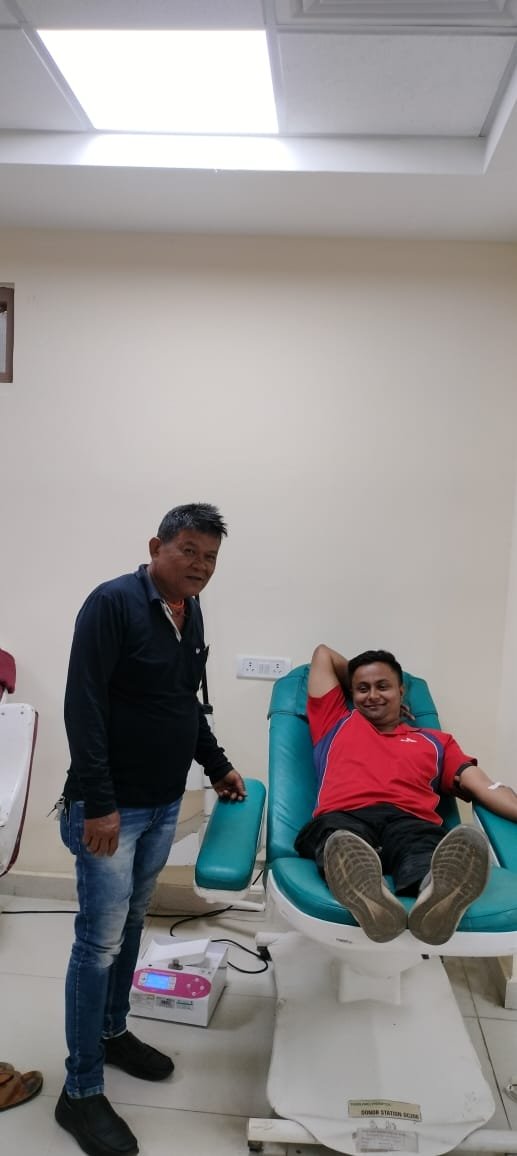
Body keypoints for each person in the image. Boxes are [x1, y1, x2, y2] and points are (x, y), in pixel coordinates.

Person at [55, 503, 246, 1156]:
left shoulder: (190, 611)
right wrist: (100, 803)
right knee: (97, 944)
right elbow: (82, 703)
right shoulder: (111, 603)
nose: (200, 565)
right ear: (155, 547)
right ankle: (80, 1090)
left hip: (163, 803)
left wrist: (216, 765)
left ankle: (112, 1033)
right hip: (113, 810)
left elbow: (183, 701)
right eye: (188, 550)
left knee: (133, 923)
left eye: (210, 557)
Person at [295, 644, 517, 946]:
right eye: (362, 689)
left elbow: (484, 786)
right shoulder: (336, 720)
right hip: (345, 817)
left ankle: (435, 896)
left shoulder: (436, 742)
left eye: (383, 686)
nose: (372, 695)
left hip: (410, 822)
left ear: (402, 692)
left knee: (425, 850)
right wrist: (363, 684)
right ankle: (370, 893)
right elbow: (323, 655)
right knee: (340, 840)